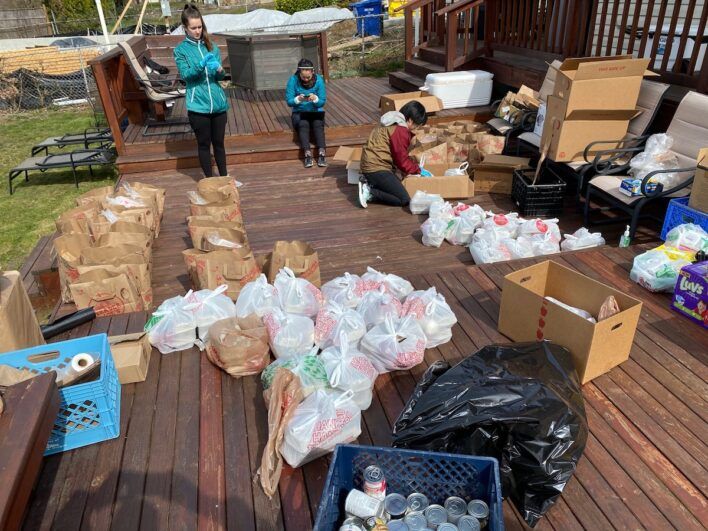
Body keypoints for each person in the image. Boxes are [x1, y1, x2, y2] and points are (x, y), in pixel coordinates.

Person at [174, 3, 229, 178]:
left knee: (219, 143)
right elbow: (186, 76)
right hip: (198, 107)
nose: (197, 31)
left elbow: (220, 78)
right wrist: (201, 64)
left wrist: (220, 71)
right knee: (204, 144)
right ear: (185, 28)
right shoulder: (180, 50)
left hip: (219, 104)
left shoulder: (211, 46)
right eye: (193, 28)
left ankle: (225, 178)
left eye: (200, 27)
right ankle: (210, 182)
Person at [358, 101, 430, 208]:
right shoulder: (400, 130)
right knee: (403, 199)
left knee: (398, 185)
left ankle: (370, 184)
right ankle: (370, 193)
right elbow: (401, 160)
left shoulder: (390, 121)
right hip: (377, 169)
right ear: (410, 120)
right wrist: (418, 170)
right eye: (417, 126)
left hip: (370, 165)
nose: (416, 129)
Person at [285, 59, 327, 168]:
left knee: (318, 124)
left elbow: (322, 101)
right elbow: (289, 102)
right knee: (303, 124)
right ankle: (307, 153)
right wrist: (298, 99)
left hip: (315, 111)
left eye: (308, 77)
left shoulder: (319, 80)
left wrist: (316, 99)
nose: (306, 79)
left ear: (312, 72)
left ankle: (322, 153)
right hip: (299, 111)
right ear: (299, 73)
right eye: (303, 77)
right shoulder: (293, 80)